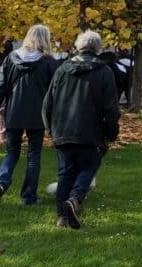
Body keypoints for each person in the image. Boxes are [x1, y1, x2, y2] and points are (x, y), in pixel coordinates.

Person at [42, 30, 121, 229]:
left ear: (78, 46)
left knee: (65, 174)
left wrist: (51, 129)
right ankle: (75, 199)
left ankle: (62, 217)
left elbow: (47, 104)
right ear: (98, 48)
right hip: (91, 131)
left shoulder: (62, 70)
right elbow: (111, 108)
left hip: (63, 130)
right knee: (88, 168)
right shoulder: (104, 72)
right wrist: (111, 132)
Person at [0, 24, 59, 209]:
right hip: (37, 115)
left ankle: (0, 184)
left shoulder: (11, 58)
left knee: (12, 152)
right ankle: (28, 196)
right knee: (34, 156)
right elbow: (56, 91)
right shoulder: (49, 62)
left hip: (14, 112)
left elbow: (0, 87)